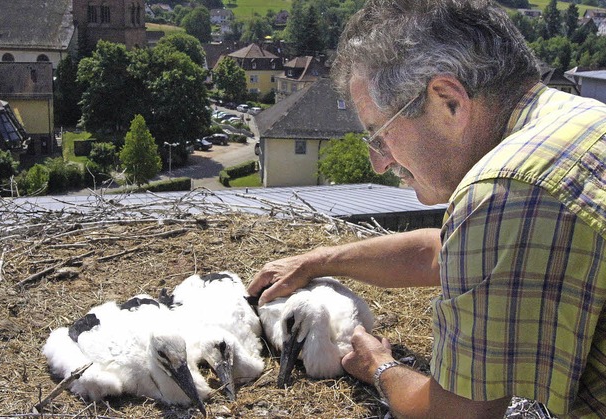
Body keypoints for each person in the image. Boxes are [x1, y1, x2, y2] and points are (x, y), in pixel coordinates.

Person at [247, 0, 606, 417]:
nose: (379, 162)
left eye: (378, 134)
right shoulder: (579, 117)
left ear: (448, 101)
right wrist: (319, 261)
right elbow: (444, 249)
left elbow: (455, 415)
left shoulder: (506, 190)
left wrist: (380, 367)